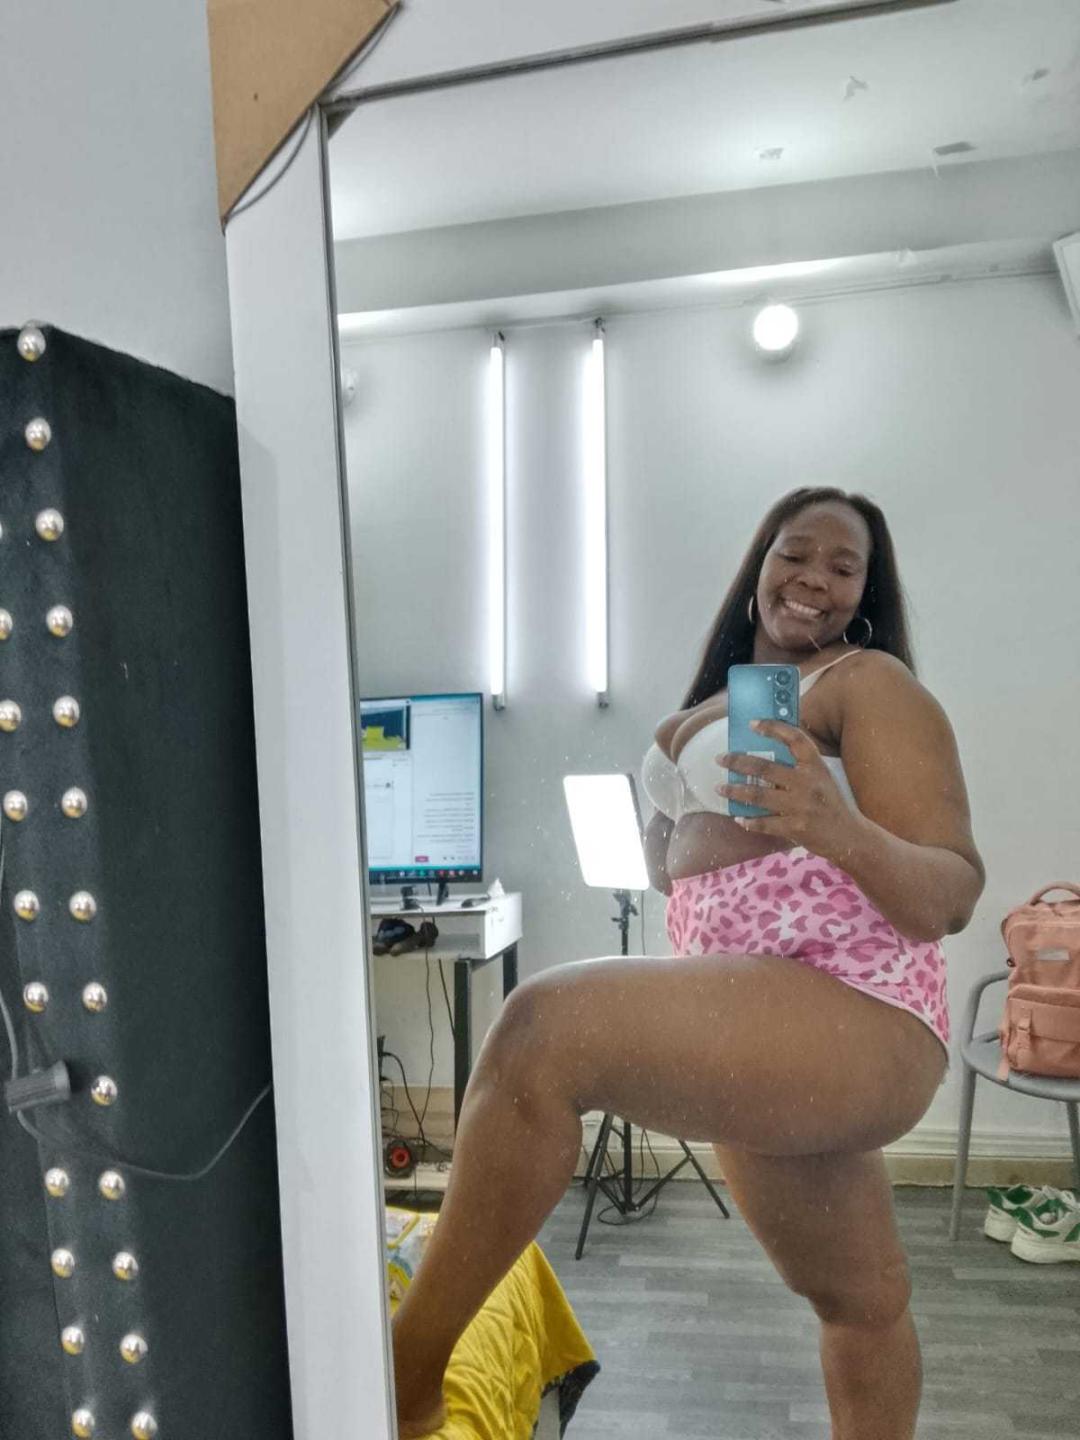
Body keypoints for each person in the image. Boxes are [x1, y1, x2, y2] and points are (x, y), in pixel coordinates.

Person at [392, 486, 984, 1440]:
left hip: (856, 1004)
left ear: (866, 596)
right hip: (760, 1009)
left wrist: (834, 826)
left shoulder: (868, 682)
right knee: (862, 1303)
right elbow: (692, 868)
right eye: (797, 553)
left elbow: (951, 891)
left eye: (845, 567)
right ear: (759, 566)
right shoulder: (712, 705)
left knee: (539, 1031)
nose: (816, 578)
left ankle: (402, 1384)